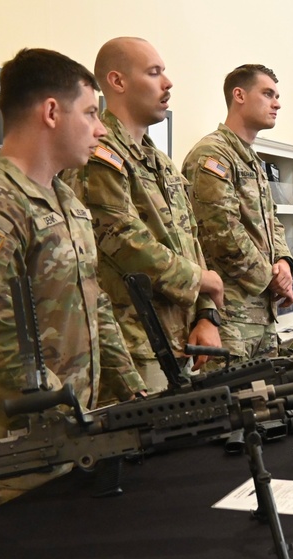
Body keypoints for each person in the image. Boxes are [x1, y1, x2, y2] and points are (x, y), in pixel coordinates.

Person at [0, 48, 146, 524]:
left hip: (64, 442)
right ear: (51, 111)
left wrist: (132, 395)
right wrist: (75, 418)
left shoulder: (66, 199)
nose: (101, 128)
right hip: (5, 455)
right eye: (91, 112)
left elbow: (97, 307)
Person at [63, 37, 224, 395]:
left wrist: (206, 314)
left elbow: (190, 241)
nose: (167, 83)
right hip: (136, 345)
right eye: (154, 73)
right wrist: (202, 280)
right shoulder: (98, 159)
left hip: (184, 338)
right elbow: (126, 242)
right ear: (118, 82)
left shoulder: (161, 163)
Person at [183, 64, 293, 366]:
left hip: (262, 315)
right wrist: (272, 279)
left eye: (277, 95)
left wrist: (284, 261)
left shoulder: (253, 161)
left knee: (266, 407)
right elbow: (222, 233)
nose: (277, 103)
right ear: (239, 95)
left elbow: (272, 221)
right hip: (229, 318)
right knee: (233, 409)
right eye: (268, 94)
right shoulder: (212, 154)